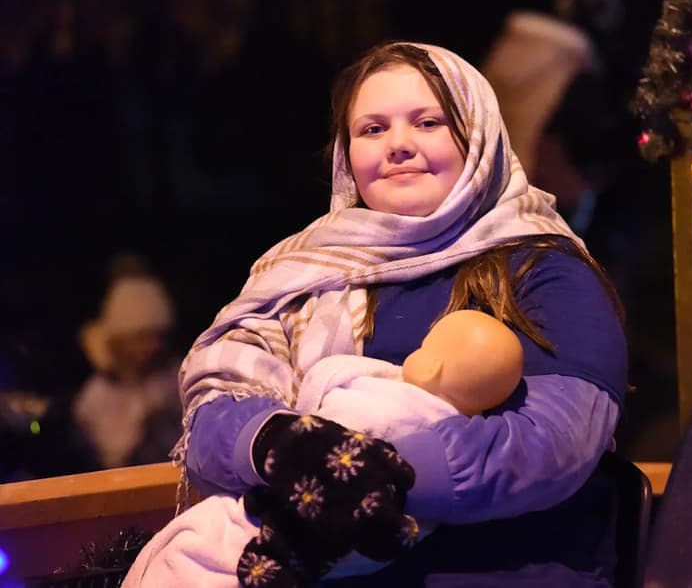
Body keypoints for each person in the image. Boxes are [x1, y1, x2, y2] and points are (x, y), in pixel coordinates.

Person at [141, 41, 626, 587]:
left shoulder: (544, 267)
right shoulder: (297, 271)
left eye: (427, 122)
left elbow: (554, 441)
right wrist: (277, 444)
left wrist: (374, 473)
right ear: (346, 155)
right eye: (372, 130)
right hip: (311, 564)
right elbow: (212, 413)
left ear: (479, 136)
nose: (398, 145)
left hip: (496, 567)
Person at [122, 309, 525, 586]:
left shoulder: (381, 395)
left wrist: (287, 427)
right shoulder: (459, 426)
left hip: (282, 503)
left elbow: (324, 387)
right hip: (346, 541)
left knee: (194, 550)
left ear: (429, 364)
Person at [73, 260, 183, 469]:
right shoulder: (96, 394)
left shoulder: (179, 378)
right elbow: (112, 459)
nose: (152, 347)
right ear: (121, 341)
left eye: (158, 337)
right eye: (141, 337)